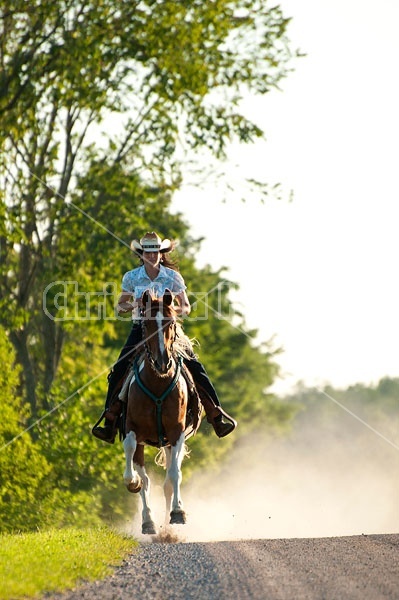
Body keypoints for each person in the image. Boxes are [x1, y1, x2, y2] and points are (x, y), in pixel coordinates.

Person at [92, 231, 237, 444]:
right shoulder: (131, 277)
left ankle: (215, 413)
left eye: (155, 252)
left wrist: (169, 311)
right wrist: (137, 304)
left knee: (195, 366)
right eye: (147, 252)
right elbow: (121, 306)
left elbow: (185, 305)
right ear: (141, 254)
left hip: (169, 329)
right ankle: (110, 418)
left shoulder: (172, 277)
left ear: (161, 253)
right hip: (141, 329)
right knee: (119, 367)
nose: (152, 256)